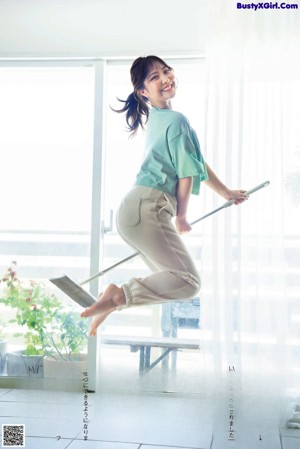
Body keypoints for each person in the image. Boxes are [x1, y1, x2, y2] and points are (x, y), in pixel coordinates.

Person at [81, 55, 248, 336]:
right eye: (154, 77)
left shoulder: (161, 120)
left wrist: (226, 192)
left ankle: (114, 301)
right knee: (187, 282)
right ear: (143, 92)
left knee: (169, 281)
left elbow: (194, 162)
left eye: (166, 71)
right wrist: (182, 216)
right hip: (149, 208)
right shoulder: (175, 120)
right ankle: (116, 296)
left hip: (134, 211)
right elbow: (186, 174)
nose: (165, 78)